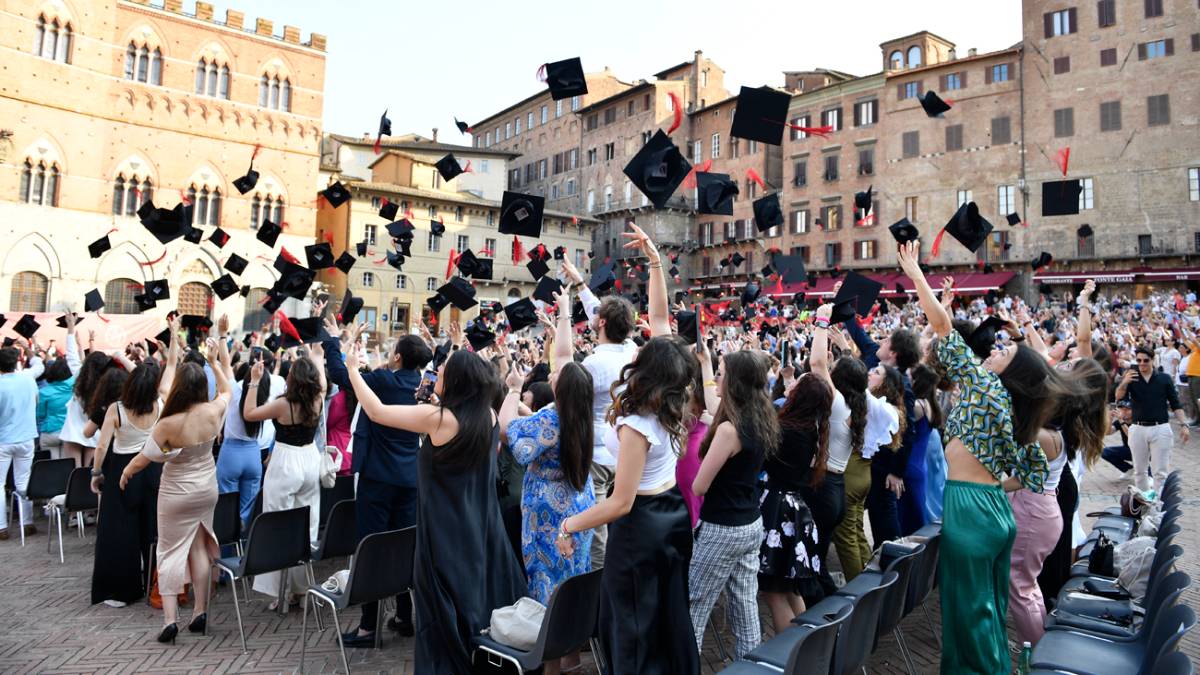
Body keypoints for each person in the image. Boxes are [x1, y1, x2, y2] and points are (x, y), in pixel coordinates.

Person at [897, 240, 1057, 674]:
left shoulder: (988, 390)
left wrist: (916, 276)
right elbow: (1031, 472)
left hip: (971, 508)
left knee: (970, 616)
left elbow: (944, 330)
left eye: (1003, 353)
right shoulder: (1002, 404)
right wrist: (986, 490)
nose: (994, 351)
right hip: (990, 509)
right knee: (984, 610)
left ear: (1012, 372)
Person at [557, 222, 700, 673]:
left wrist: (571, 524)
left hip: (642, 525)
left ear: (647, 368)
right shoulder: (677, 392)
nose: (635, 350)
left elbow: (619, 502)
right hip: (673, 512)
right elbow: (659, 321)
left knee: (633, 625)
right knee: (667, 614)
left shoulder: (638, 423)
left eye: (640, 353)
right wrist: (655, 261)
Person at [344, 346, 525, 674]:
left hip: (442, 533)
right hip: (477, 528)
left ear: (456, 381)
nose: (436, 374)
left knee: (439, 611)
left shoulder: (438, 420)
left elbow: (377, 412)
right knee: (471, 601)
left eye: (442, 373)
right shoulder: (487, 416)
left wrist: (353, 369)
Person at [499, 288, 595, 675]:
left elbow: (510, 435)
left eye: (555, 374)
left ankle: (551, 666)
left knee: (547, 586)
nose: (552, 369)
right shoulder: (585, 408)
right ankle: (572, 654)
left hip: (547, 516)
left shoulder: (550, 418)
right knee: (573, 580)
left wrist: (509, 390)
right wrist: (565, 313)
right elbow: (566, 360)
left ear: (558, 389)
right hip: (578, 505)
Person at [119, 328, 233, 644]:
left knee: (169, 551)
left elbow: (146, 458)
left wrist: (127, 471)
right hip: (206, 488)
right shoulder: (213, 411)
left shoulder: (168, 423)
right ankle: (199, 610)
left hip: (176, 492)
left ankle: (171, 619)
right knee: (198, 548)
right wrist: (213, 362)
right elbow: (227, 392)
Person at [324, 318, 433, 646]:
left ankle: (368, 627)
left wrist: (334, 341)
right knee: (402, 546)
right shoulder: (426, 385)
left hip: (378, 479)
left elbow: (341, 375)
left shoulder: (385, 380)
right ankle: (403, 615)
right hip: (410, 478)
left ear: (397, 358)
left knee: (370, 547)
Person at [688, 350, 778, 658]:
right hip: (750, 523)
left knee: (694, 606)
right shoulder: (761, 416)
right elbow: (716, 405)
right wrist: (705, 362)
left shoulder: (728, 430)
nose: (717, 379)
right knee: (745, 605)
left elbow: (699, 485)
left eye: (721, 374)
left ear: (735, 382)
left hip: (721, 527)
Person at [759, 306, 834, 630]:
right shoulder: (810, 426)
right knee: (789, 587)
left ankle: (786, 655)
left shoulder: (787, 427)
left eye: (796, 383)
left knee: (774, 591)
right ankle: (803, 647)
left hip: (778, 510)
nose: (790, 384)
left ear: (800, 396)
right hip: (795, 509)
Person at [90, 327, 176, 607]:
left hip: (122, 469)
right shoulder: (161, 402)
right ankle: (155, 583)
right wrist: (173, 340)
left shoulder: (116, 408)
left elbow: (101, 446)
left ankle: (121, 590)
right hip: (151, 468)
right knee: (152, 528)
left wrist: (96, 473)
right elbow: (172, 366)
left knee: (120, 531)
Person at [561, 256, 638, 570]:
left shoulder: (592, 365)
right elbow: (597, 311)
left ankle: (597, 580)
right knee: (618, 516)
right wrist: (580, 283)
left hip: (596, 454)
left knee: (598, 526)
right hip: (623, 449)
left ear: (603, 323)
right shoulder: (631, 350)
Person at [243, 340, 326, 608]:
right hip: (310, 460)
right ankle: (301, 591)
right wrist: (317, 357)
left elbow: (249, 414)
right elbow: (322, 380)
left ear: (292, 378)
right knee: (306, 527)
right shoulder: (318, 398)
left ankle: (280, 593)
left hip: (286, 462)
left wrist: (255, 381)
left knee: (278, 525)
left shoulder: (283, 405)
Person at [840, 314, 920, 547]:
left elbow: (907, 431)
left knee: (882, 515)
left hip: (883, 465)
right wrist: (845, 307)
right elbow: (861, 337)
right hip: (867, 461)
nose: (880, 342)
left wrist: (896, 471)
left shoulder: (902, 385)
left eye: (885, 341)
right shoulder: (878, 364)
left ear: (893, 353)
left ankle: (891, 564)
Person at [831, 356, 899, 581]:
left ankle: (857, 592)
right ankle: (868, 583)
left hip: (850, 473)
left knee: (845, 535)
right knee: (856, 530)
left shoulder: (845, 402)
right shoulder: (868, 400)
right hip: (864, 472)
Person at [1114, 345, 1190, 494]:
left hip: (1160, 427)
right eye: (1139, 360)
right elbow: (1118, 397)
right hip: (1138, 428)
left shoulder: (1164, 378)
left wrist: (1184, 424)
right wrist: (1124, 382)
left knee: (1160, 472)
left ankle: (1158, 507)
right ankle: (1144, 505)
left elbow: (1176, 404)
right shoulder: (1132, 378)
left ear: (1153, 360)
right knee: (1139, 471)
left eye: (1145, 360)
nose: (1142, 363)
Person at [0, 338, 44, 540]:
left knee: (0, 484)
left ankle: (1, 526)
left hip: (4, 439)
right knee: (23, 480)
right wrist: (27, 346)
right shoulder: (27, 377)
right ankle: (27, 523)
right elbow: (39, 364)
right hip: (27, 437)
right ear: (18, 361)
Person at [217, 356, 270, 525]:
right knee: (248, 511)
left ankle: (227, 549)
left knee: (226, 508)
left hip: (231, 455)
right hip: (253, 456)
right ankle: (246, 546)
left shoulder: (233, 390)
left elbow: (225, 363)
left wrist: (223, 335)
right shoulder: (264, 400)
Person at [900, 364, 942, 534]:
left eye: (909, 376)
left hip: (909, 467)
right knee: (916, 514)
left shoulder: (917, 406)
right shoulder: (930, 404)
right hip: (919, 466)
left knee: (907, 521)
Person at [36, 314, 81, 459]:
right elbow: (75, 359)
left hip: (50, 433)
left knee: (52, 469)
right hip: (69, 432)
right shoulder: (76, 385)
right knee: (68, 468)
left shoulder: (44, 392)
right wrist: (71, 329)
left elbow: (40, 415)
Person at [59, 346, 110, 469]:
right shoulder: (106, 385)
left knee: (73, 474)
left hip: (72, 432)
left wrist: (71, 328)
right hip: (93, 432)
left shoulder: (79, 378)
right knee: (88, 473)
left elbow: (71, 356)